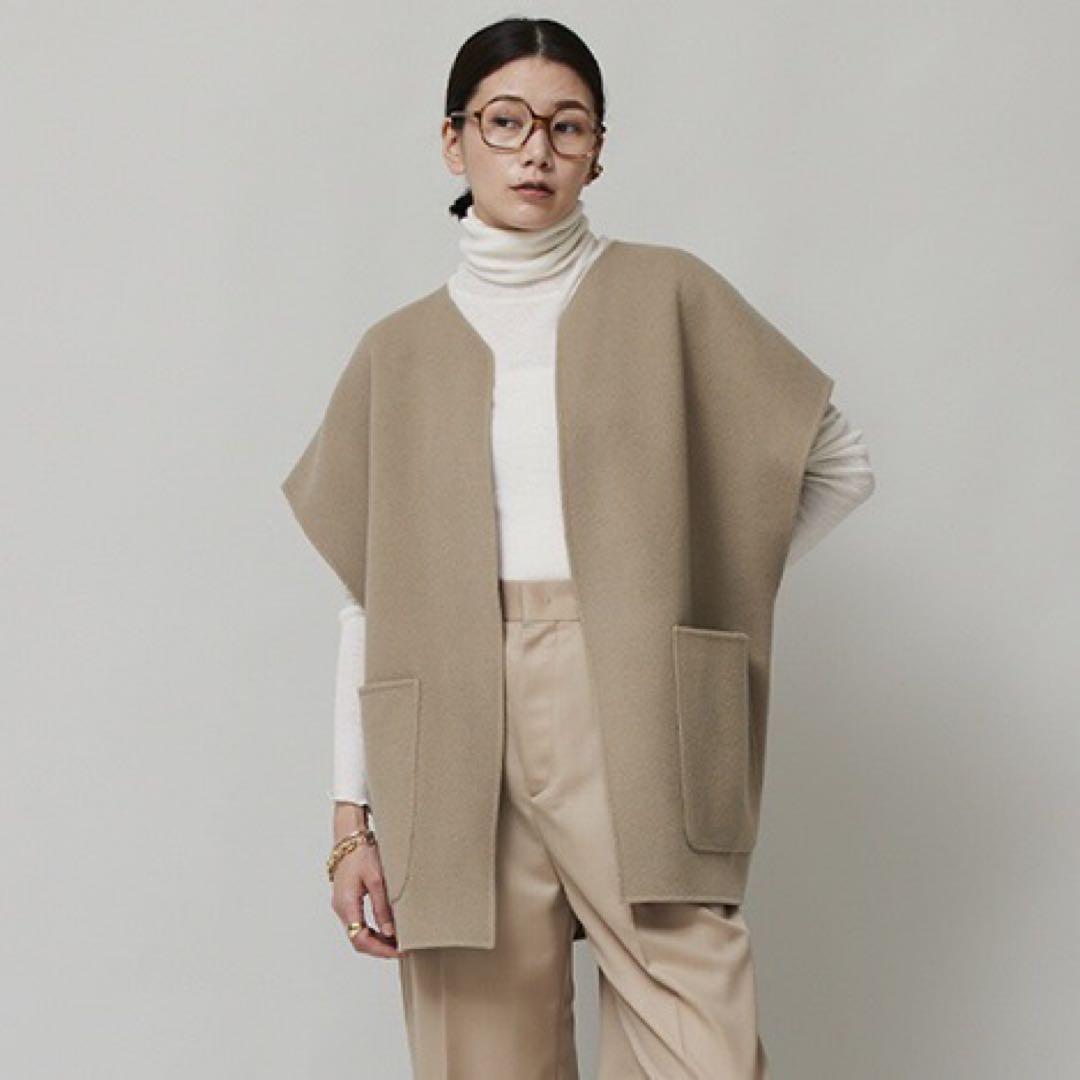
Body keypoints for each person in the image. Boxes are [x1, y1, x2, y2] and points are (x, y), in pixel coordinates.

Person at [287, 16, 875, 1079]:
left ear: (599, 150)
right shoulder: (396, 353)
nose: (537, 151)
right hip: (447, 717)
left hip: (631, 690)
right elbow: (371, 601)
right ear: (454, 141)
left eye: (568, 126)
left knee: (700, 1045)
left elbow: (836, 462)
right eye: (505, 122)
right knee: (481, 1054)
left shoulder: (670, 294)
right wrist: (350, 815)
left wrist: (698, 588)